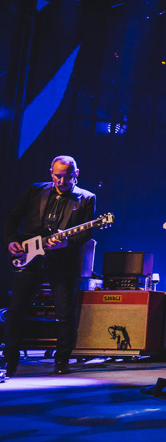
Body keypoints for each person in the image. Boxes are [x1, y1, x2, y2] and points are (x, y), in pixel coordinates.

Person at [3, 156, 96, 376]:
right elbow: (13, 218)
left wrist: (67, 242)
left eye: (67, 176)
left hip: (62, 263)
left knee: (65, 313)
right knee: (16, 311)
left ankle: (61, 361)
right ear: (50, 172)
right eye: (57, 176)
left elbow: (86, 233)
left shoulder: (86, 198)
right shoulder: (36, 190)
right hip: (29, 257)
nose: (62, 181)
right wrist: (11, 240)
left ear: (76, 174)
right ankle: (9, 362)